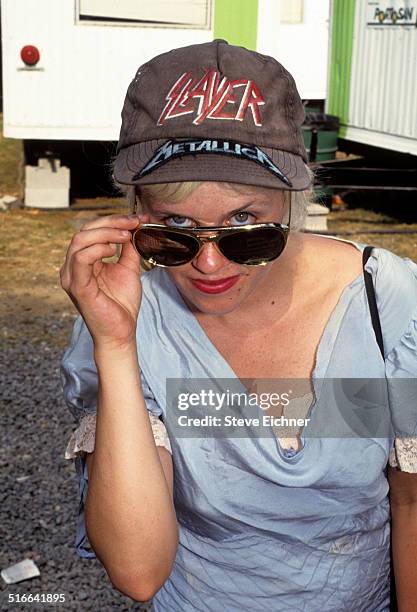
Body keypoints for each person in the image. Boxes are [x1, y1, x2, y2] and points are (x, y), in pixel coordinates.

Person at [60, 40, 417, 611]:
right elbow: (137, 569)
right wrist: (116, 345)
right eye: (173, 226)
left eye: (246, 224)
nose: (208, 264)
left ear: (293, 199)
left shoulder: (388, 308)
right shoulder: (126, 319)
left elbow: (411, 505)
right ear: (135, 208)